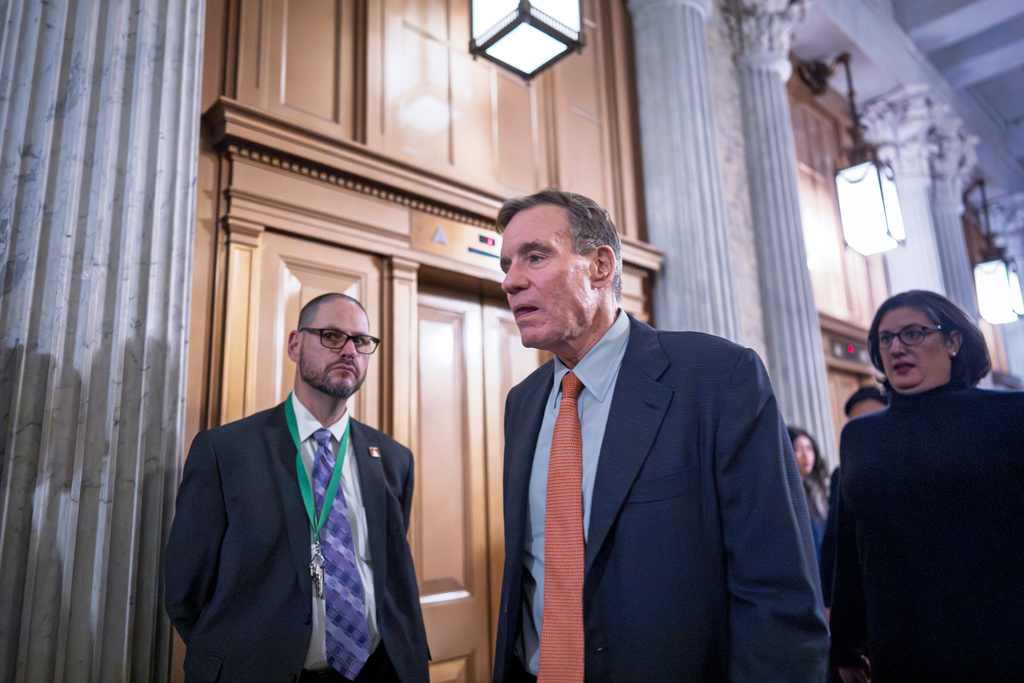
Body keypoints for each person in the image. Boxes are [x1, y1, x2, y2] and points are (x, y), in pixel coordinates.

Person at [492, 188, 829, 682]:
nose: (512, 281)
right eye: (506, 265)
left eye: (535, 257)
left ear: (600, 266)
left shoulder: (719, 377)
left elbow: (778, 591)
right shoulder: (522, 403)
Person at [165, 293, 430, 683]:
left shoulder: (392, 458)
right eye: (331, 336)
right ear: (294, 344)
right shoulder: (226, 451)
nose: (349, 351)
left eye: (360, 341)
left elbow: (389, 576)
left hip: (377, 672)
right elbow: (186, 591)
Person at [830, 290, 1024, 682]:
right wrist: (846, 646)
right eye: (886, 338)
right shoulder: (859, 436)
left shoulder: (1010, 416)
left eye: (913, 333)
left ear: (953, 341)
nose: (897, 347)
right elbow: (850, 547)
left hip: (1003, 641)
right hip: (900, 649)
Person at [788, 426, 829, 557]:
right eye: (798, 449)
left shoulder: (815, 491)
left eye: (809, 448)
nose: (806, 455)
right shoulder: (787, 495)